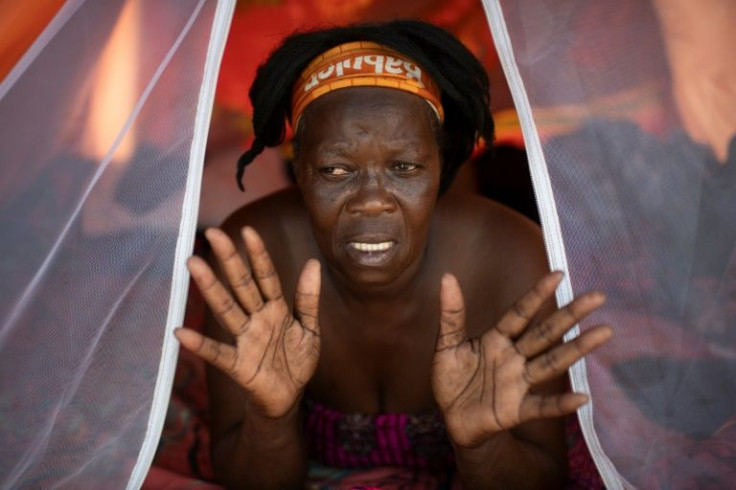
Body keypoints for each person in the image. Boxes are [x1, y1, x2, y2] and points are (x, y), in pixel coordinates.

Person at [174, 20, 612, 489]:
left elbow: (542, 477)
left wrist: (482, 444)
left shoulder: (511, 259)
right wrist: (271, 416)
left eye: (404, 167)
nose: (371, 200)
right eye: (335, 169)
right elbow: (248, 480)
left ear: (440, 166)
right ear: (298, 169)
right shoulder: (255, 259)